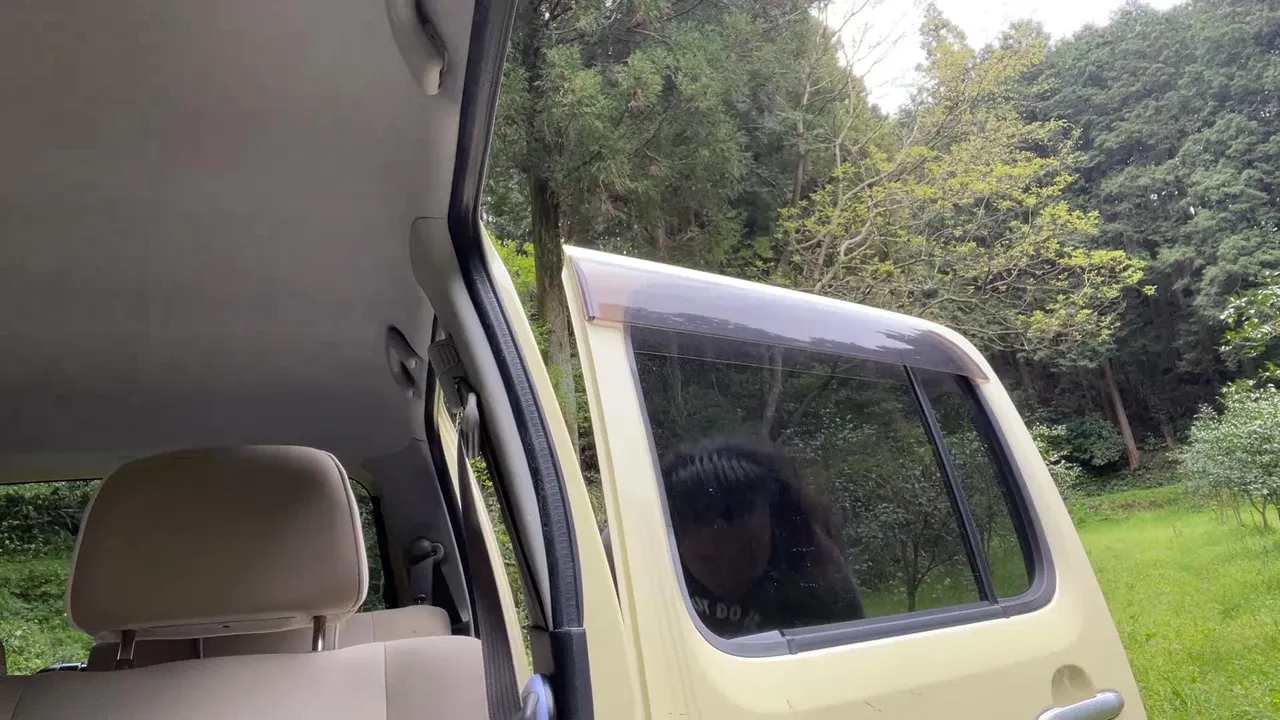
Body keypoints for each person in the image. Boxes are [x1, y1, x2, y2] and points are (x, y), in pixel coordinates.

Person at [660, 436, 864, 638]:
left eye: (746, 556)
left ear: (774, 519)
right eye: (708, 562)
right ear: (677, 543)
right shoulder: (659, 571)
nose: (729, 576)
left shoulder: (814, 569)